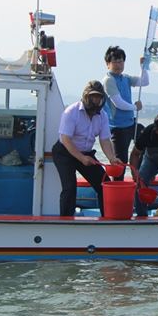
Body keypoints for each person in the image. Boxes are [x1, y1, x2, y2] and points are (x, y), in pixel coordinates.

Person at [52, 80, 123, 217]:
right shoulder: (71, 112)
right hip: (65, 152)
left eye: (98, 97)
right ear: (86, 96)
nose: (96, 100)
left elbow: (105, 140)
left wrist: (112, 158)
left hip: (86, 153)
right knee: (70, 188)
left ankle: (107, 218)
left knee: (104, 185)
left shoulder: (103, 116)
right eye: (92, 96)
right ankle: (66, 222)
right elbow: (66, 139)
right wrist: (81, 158)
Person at [102, 46, 149, 180]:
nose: (118, 65)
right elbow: (118, 103)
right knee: (120, 163)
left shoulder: (125, 78)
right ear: (108, 64)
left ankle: (139, 175)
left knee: (146, 141)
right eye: (115, 62)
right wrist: (135, 107)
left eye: (121, 61)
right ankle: (118, 188)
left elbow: (145, 81)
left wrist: (143, 67)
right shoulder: (108, 80)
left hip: (131, 124)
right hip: (118, 128)